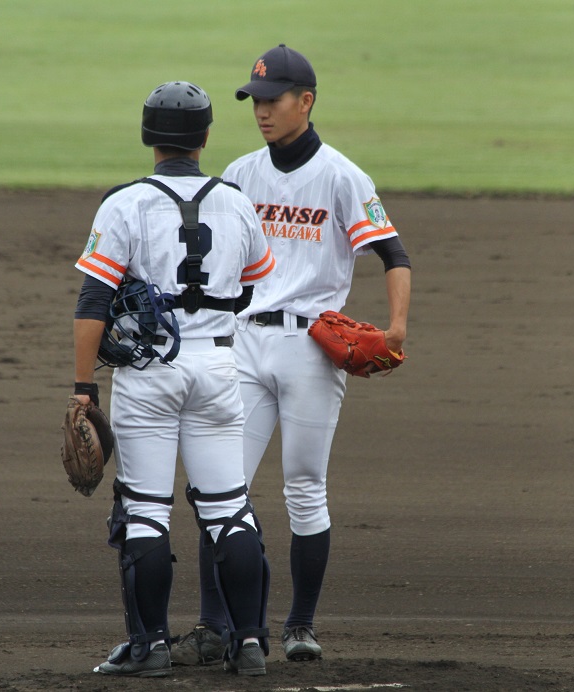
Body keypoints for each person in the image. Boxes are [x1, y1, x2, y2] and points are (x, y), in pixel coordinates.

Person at [172, 45, 411, 666]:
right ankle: (216, 624)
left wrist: (397, 329)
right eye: (255, 100)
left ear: (306, 101)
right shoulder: (241, 172)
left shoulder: (341, 175)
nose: (262, 110)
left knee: (304, 487)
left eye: (274, 99)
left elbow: (393, 253)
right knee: (222, 485)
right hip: (245, 343)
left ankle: (299, 625)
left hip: (312, 348)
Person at [72, 80, 277, 678]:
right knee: (229, 510)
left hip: (148, 373)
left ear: (148, 137)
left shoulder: (125, 204)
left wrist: (83, 389)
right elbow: (248, 286)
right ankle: (249, 645)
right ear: (206, 137)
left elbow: (92, 301)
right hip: (218, 368)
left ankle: (150, 647)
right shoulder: (236, 201)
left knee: (144, 512)